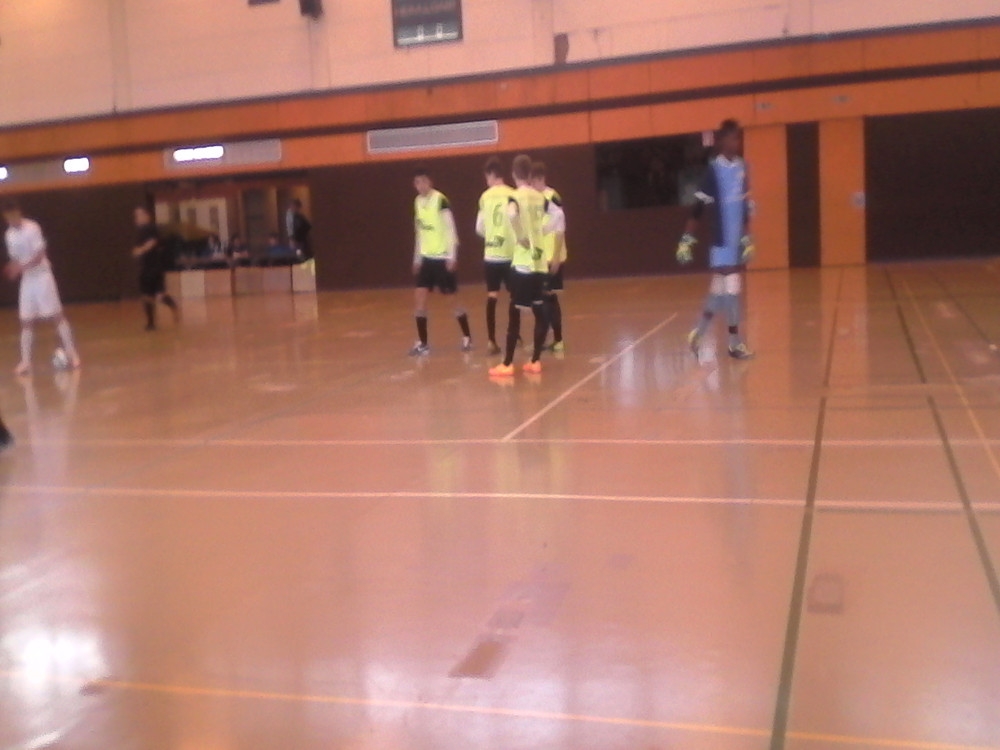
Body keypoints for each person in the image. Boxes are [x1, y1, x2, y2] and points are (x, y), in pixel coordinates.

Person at [676, 118, 755, 361]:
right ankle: (734, 344)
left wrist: (746, 239)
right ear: (721, 141)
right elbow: (698, 208)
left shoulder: (743, 168)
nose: (736, 142)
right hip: (721, 242)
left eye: (738, 138)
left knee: (719, 293)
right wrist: (686, 240)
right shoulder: (713, 170)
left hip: (735, 242)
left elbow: (744, 206)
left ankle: (697, 334)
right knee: (733, 290)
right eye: (732, 138)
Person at [488, 154, 564, 377]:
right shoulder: (539, 197)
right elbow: (559, 215)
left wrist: (521, 235)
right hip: (539, 263)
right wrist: (543, 230)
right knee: (539, 310)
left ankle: (507, 364)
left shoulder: (515, 196)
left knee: (515, 312)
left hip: (522, 264)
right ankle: (535, 361)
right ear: (530, 174)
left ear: (513, 174)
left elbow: (512, 214)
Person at [2, 199, 81, 375]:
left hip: (43, 277)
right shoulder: (9, 235)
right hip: (27, 280)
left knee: (56, 316)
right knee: (26, 321)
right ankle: (25, 362)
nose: (11, 219)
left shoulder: (32, 228)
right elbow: (15, 259)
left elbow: (39, 256)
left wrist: (21, 268)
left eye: (13, 215)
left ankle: (72, 354)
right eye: (8, 217)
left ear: (18, 213)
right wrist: (13, 268)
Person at [409, 167, 472, 356]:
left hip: (442, 258)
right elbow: (419, 231)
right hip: (426, 259)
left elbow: (450, 229)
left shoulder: (441, 200)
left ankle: (467, 336)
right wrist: (417, 258)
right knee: (420, 298)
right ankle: (423, 343)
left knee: (452, 300)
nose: (421, 185)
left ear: (430, 181)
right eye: (417, 182)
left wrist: (452, 256)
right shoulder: (417, 202)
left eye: (423, 181)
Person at [475, 157, 516, 355]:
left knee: (492, 296)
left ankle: (491, 340)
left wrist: (491, 235)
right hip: (510, 253)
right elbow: (514, 218)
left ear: (491, 175)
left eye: (487, 177)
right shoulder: (512, 194)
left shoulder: (484, 197)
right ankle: (514, 335)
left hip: (491, 254)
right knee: (514, 296)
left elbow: (479, 227)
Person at [530, 161, 568, 353]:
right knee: (547, 299)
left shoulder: (552, 197)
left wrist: (556, 257)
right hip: (540, 257)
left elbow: (560, 228)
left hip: (552, 257)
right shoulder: (534, 199)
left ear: (540, 179)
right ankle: (554, 340)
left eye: (533, 182)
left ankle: (550, 340)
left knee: (547, 299)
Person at [132, 206, 180, 331]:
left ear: (147, 216)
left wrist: (141, 250)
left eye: (139, 215)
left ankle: (174, 307)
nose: (137, 218)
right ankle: (151, 323)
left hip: (155, 267)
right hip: (145, 268)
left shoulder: (151, 228)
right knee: (146, 297)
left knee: (160, 295)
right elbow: (137, 249)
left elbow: (152, 242)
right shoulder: (139, 233)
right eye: (136, 216)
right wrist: (138, 251)